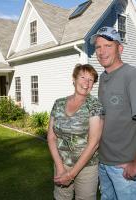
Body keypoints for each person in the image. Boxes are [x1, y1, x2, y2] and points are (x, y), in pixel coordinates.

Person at [90, 26, 136, 199]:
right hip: (103, 162)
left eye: (108, 46)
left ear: (120, 48)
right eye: (98, 47)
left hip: (122, 166)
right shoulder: (104, 78)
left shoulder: (132, 76)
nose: (102, 51)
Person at [47, 64, 104, 200]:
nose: (86, 83)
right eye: (83, 77)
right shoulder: (58, 103)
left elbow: (94, 143)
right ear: (74, 79)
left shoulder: (95, 106)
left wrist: (71, 174)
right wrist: (61, 168)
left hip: (86, 167)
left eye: (91, 80)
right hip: (61, 163)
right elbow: (51, 137)